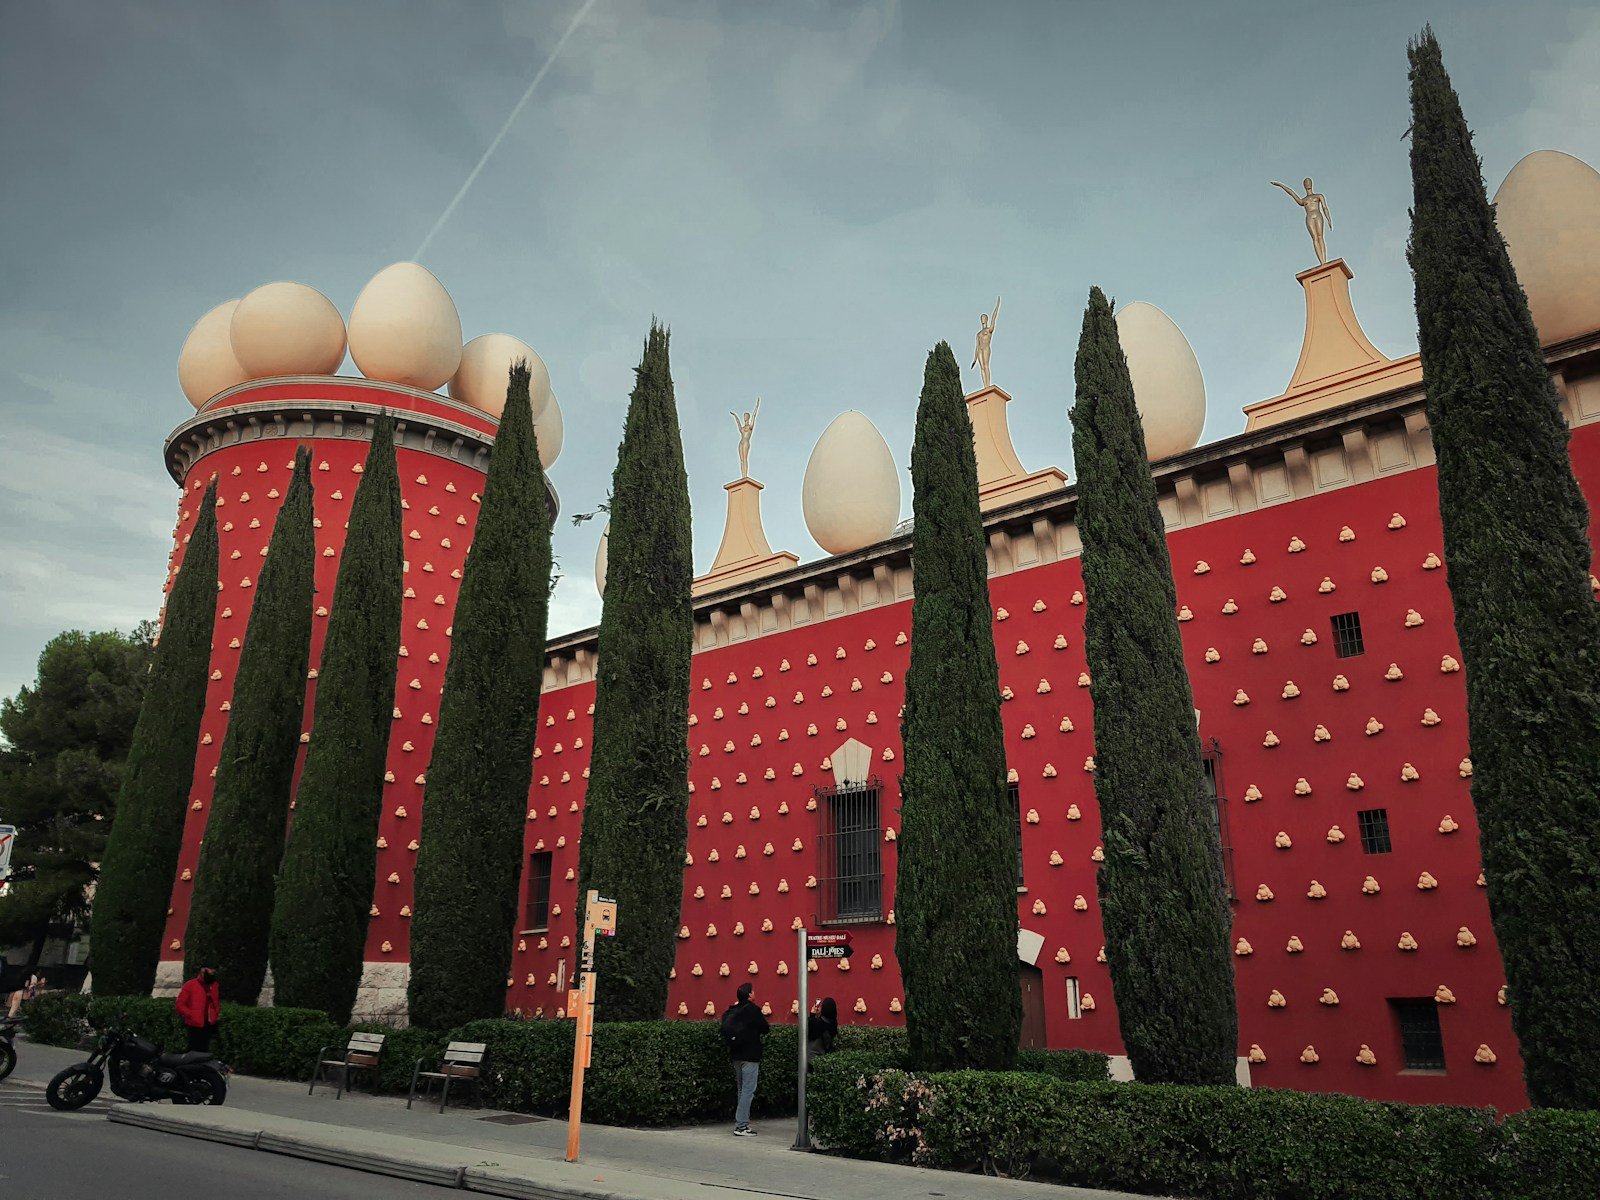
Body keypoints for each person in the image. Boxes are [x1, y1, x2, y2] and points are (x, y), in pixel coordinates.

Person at [720, 981, 768, 1136]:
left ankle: (741, 1123)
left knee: (741, 1090)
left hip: (736, 1055)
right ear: (749, 995)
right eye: (753, 991)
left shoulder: (733, 1010)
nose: (755, 993)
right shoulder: (753, 1010)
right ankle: (741, 1126)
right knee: (748, 1090)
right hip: (750, 1055)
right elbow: (765, 1028)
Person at [175, 964, 220, 1053]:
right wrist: (191, 1014)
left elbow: (215, 1002)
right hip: (194, 1024)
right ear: (202, 971)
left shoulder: (214, 985)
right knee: (194, 1050)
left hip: (209, 1023)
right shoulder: (190, 984)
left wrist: (217, 1014)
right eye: (208, 971)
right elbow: (180, 1004)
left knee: (205, 1050)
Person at [806, 996, 838, 1067]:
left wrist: (812, 1014)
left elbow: (808, 1026)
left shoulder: (816, 1023)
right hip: (823, 1059)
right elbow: (823, 1024)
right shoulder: (834, 1023)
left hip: (811, 1058)